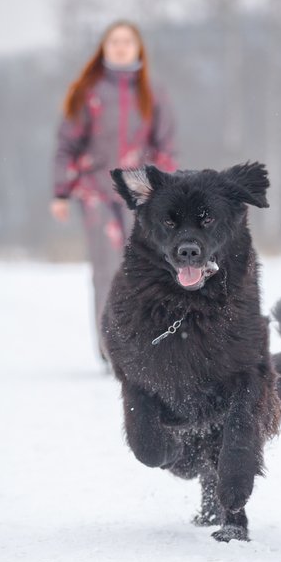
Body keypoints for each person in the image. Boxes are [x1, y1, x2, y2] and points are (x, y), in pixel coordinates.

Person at [50, 20, 177, 363]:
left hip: (143, 194)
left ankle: (147, 345)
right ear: (104, 49)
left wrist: (166, 192)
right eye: (114, 42)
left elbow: (166, 146)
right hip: (95, 191)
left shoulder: (153, 92)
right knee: (107, 266)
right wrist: (61, 192)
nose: (120, 47)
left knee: (148, 265)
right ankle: (113, 348)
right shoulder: (87, 92)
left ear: (138, 48)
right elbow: (66, 145)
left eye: (127, 41)